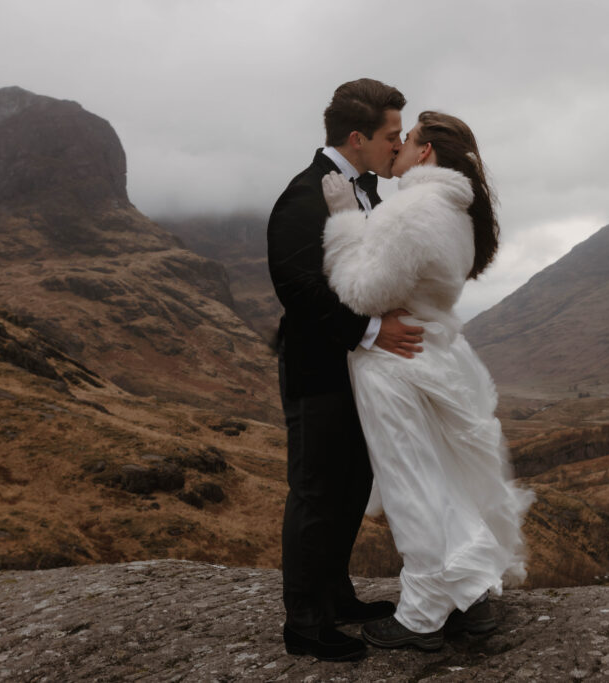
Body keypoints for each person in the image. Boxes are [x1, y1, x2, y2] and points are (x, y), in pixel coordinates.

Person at [321, 111, 534, 651]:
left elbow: (363, 293)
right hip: (437, 356)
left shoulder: (413, 209)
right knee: (443, 480)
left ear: (426, 153)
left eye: (407, 139)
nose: (397, 147)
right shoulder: (456, 211)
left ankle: (421, 615)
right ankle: (471, 601)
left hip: (396, 366)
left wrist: (344, 224)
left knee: (410, 485)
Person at [266, 78, 427, 662]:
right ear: (357, 138)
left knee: (353, 485)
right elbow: (300, 289)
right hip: (319, 374)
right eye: (391, 135)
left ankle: (335, 597)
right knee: (315, 491)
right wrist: (373, 331)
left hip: (362, 376)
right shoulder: (301, 197)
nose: (398, 145)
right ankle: (305, 624)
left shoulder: (368, 193)